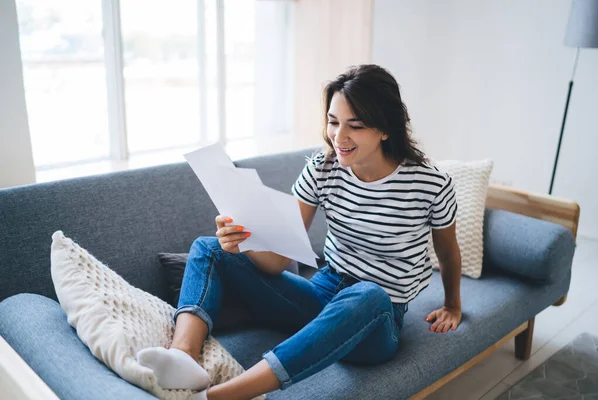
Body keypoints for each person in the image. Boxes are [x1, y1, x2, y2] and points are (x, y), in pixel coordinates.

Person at [137, 64, 462, 400]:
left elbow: (448, 251)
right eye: (333, 122)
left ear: (385, 129)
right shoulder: (323, 168)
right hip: (322, 295)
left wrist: (453, 304)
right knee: (209, 247)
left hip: (377, 317)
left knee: (369, 293)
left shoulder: (430, 183)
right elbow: (278, 261)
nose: (339, 136)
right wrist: (243, 242)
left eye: (356, 126)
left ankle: (223, 396)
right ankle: (182, 357)